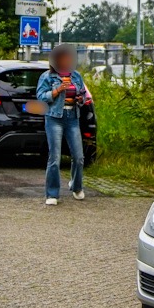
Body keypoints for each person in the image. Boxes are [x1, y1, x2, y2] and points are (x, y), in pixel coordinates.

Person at [36, 45, 91, 205]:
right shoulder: (47, 77)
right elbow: (41, 97)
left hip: (72, 117)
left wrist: (80, 99)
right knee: (55, 157)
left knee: (79, 157)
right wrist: (57, 90)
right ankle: (52, 194)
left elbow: (83, 94)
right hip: (54, 118)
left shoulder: (76, 76)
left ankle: (76, 186)